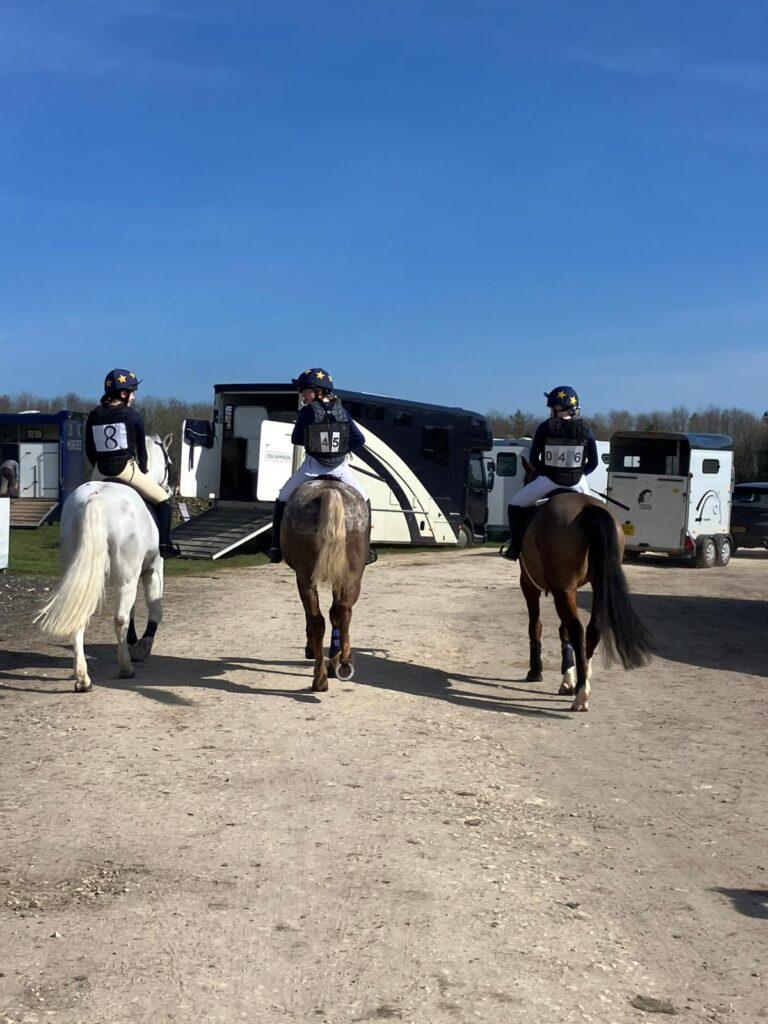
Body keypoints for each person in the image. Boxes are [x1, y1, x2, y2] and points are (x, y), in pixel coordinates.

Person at [268, 367, 375, 564]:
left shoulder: (308, 412)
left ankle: (275, 547)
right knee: (365, 501)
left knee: (281, 499)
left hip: (312, 469)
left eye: (305, 390)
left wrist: (315, 443)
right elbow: (359, 439)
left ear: (318, 391)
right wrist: (340, 450)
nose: (302, 394)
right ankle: (367, 550)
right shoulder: (342, 411)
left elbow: (296, 438)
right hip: (340, 470)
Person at [85, 368, 180, 558]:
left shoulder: (93, 416)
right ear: (123, 393)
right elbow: (142, 453)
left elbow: (89, 450)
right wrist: (143, 469)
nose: (134, 397)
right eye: (133, 392)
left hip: (99, 471)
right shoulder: (133, 416)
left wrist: (98, 466)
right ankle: (165, 544)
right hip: (125, 470)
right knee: (163, 499)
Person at [502, 385, 599, 560]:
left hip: (549, 481)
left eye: (551, 406)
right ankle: (596, 556)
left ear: (558, 407)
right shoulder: (587, 429)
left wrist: (548, 472)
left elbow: (534, 459)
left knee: (514, 506)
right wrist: (579, 474)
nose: (549, 410)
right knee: (595, 514)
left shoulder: (545, 427)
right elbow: (593, 463)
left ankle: (515, 547)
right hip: (578, 482)